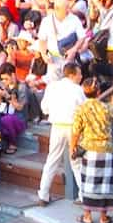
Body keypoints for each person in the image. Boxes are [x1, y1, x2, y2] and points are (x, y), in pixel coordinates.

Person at [71, 83, 113, 223]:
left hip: (89, 151)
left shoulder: (80, 109)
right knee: (105, 185)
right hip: (105, 151)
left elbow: (75, 133)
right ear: (98, 91)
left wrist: (72, 149)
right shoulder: (105, 107)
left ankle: (87, 216)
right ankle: (103, 217)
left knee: (88, 184)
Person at [37, 62, 87, 206]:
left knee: (52, 160)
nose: (81, 76)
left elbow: (44, 109)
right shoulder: (78, 89)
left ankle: (43, 194)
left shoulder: (52, 87)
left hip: (57, 126)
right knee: (76, 162)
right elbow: (84, 110)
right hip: (74, 128)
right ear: (72, 75)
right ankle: (83, 195)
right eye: (79, 74)